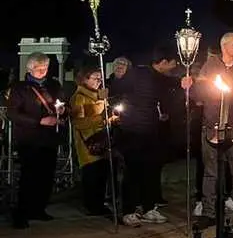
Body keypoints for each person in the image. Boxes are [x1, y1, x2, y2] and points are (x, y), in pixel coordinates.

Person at [182, 32, 233, 229]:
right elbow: (200, 94)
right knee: (211, 173)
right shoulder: (211, 66)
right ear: (224, 46)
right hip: (213, 127)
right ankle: (209, 212)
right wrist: (189, 88)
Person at [113, 49, 178, 225]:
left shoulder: (159, 78)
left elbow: (171, 83)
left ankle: (148, 207)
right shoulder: (138, 74)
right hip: (133, 130)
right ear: (163, 62)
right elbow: (117, 88)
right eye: (172, 63)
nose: (173, 67)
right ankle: (129, 210)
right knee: (133, 171)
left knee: (151, 170)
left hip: (151, 129)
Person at [5, 52, 65, 228]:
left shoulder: (54, 84)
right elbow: (12, 113)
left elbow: (63, 103)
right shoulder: (19, 88)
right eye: (38, 69)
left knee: (46, 176)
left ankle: (39, 209)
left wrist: (62, 111)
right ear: (29, 69)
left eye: (44, 68)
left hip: (50, 138)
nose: (42, 72)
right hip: (29, 139)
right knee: (28, 176)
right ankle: (22, 213)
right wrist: (38, 121)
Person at [69, 64, 120, 218]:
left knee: (102, 175)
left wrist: (112, 119)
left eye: (100, 78)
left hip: (102, 141)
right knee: (92, 176)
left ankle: (99, 203)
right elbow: (79, 123)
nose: (99, 81)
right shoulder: (79, 98)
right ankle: (92, 206)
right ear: (85, 79)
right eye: (95, 78)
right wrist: (102, 118)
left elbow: (105, 119)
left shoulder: (100, 96)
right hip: (88, 144)